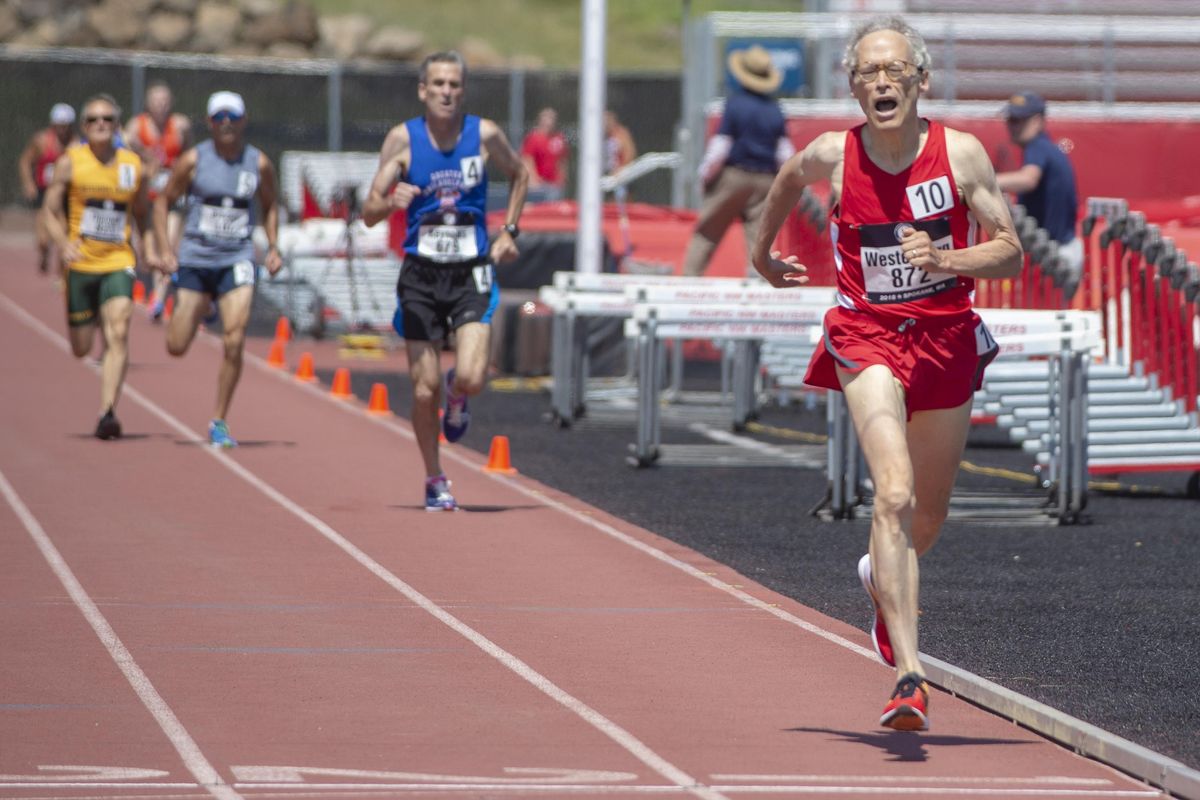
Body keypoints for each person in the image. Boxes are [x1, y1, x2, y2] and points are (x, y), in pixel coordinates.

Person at [750, 16, 1022, 731]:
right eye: (868, 72)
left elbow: (1010, 251)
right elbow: (782, 181)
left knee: (924, 517)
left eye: (893, 71)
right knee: (892, 493)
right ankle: (910, 675)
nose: (881, 83)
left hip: (945, 337)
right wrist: (760, 254)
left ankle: (879, 578)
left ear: (919, 80)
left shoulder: (960, 156)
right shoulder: (833, 157)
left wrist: (947, 261)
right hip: (866, 335)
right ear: (853, 85)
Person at [362, 51, 529, 512]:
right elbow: (368, 212)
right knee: (421, 388)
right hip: (421, 275)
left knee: (473, 376)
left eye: (454, 84)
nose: (446, 92)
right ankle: (434, 477)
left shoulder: (485, 135)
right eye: (438, 84)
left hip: (471, 270)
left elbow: (521, 174)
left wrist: (509, 231)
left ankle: (458, 395)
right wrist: (390, 201)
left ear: (463, 90)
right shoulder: (402, 140)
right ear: (423, 90)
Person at [147, 91, 283, 448]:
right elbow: (162, 202)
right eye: (219, 118)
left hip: (236, 258)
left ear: (244, 121)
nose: (226, 124)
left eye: (233, 118)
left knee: (235, 338)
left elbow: (270, 206)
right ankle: (201, 306)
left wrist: (273, 246)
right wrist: (164, 248)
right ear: (209, 123)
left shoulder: (259, 163)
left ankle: (219, 420)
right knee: (176, 345)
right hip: (196, 257)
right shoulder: (194, 160)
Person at [40, 94, 150, 440]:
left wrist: (149, 245)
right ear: (84, 127)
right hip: (82, 263)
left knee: (119, 330)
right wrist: (63, 242)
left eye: (107, 119)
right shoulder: (71, 162)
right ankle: (93, 316)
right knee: (81, 348)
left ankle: (107, 413)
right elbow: (49, 208)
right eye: (93, 120)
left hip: (119, 259)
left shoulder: (132, 165)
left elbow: (143, 210)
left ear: (117, 126)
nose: (100, 124)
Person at [683, 44, 795, 277]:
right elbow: (785, 153)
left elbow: (720, 147)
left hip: (734, 176)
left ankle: (689, 281)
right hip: (766, 179)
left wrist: (706, 176)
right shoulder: (775, 109)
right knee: (760, 240)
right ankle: (763, 286)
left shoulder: (735, 105)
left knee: (707, 232)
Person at [124, 80, 194, 322]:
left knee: (170, 245)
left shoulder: (180, 125)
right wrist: (145, 158)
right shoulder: (137, 126)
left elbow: (189, 153)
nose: (161, 106)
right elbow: (123, 145)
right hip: (146, 198)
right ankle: (144, 280)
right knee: (146, 249)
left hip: (171, 196)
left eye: (165, 101)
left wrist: (179, 169)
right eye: (157, 101)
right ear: (148, 103)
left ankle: (159, 297)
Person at [995, 91, 1082, 273]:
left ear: (1037, 121)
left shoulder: (1037, 146)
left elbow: (1028, 179)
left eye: (1018, 120)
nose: (1011, 126)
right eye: (1010, 120)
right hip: (1058, 250)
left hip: (1055, 255)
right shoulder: (1045, 148)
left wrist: (985, 181)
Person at [17, 102, 78, 275]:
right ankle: (44, 253)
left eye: (66, 126)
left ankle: (61, 272)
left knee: (64, 231)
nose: (63, 130)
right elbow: (25, 161)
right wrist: (28, 183)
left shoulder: (76, 144)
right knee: (43, 238)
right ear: (53, 125)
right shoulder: (42, 141)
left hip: (65, 193)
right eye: (59, 126)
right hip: (44, 191)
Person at [520, 106, 567, 202]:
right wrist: (533, 180)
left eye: (552, 118)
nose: (549, 121)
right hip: (538, 185)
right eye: (546, 118)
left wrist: (562, 179)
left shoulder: (559, 138)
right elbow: (527, 160)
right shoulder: (533, 138)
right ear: (540, 120)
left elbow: (562, 161)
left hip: (555, 185)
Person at [603, 109, 637, 177]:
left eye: (607, 119)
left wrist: (621, 169)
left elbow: (630, 153)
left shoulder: (621, 133)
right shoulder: (600, 136)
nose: (605, 122)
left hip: (620, 175)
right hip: (605, 175)